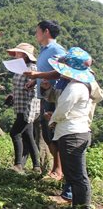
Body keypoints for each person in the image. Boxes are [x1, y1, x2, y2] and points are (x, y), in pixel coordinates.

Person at [41, 47, 95, 208]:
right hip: (73, 132)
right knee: (73, 174)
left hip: (73, 134)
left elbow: (63, 110)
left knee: (77, 176)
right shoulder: (77, 85)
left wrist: (53, 120)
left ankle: (82, 205)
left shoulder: (74, 88)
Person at [24, 20, 66, 181]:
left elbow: (61, 72)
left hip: (54, 97)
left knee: (55, 133)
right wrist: (34, 81)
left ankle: (59, 170)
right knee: (48, 134)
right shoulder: (44, 50)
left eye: (37, 31)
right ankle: (56, 169)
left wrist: (37, 76)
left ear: (46, 31)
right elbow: (45, 72)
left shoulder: (56, 49)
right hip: (44, 95)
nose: (36, 34)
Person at [5, 43, 41, 174]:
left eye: (18, 53)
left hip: (28, 108)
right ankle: (37, 166)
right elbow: (20, 86)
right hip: (20, 106)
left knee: (14, 133)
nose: (16, 55)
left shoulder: (32, 69)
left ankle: (18, 164)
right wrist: (13, 95)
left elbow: (34, 91)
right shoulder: (21, 68)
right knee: (28, 136)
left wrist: (29, 113)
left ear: (25, 55)